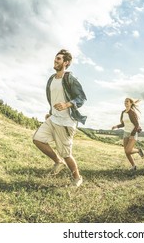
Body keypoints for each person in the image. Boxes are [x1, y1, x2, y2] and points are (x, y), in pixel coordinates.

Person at [33, 49, 87, 187]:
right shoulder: (51, 79)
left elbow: (81, 98)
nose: (55, 60)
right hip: (53, 118)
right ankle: (58, 162)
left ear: (66, 62)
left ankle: (77, 178)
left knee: (66, 153)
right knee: (37, 139)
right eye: (55, 58)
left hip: (66, 121)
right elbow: (53, 99)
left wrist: (67, 104)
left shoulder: (70, 79)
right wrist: (51, 111)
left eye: (58, 59)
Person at [112, 98, 144, 170]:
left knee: (128, 150)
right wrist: (116, 126)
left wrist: (132, 135)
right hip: (126, 133)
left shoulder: (132, 112)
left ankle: (138, 150)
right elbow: (123, 124)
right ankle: (134, 166)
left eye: (127, 101)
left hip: (133, 133)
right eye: (125, 101)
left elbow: (136, 125)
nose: (125, 103)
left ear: (131, 103)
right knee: (126, 152)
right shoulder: (123, 112)